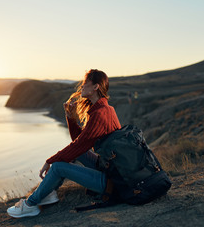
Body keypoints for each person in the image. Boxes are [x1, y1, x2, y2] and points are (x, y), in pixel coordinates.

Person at [7, 69, 121, 218]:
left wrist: (50, 161)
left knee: (59, 167)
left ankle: (30, 205)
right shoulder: (105, 109)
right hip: (108, 169)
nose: (81, 86)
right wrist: (71, 118)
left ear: (96, 87)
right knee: (76, 154)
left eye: (85, 83)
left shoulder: (100, 114)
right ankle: (49, 193)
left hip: (111, 183)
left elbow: (78, 145)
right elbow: (80, 143)